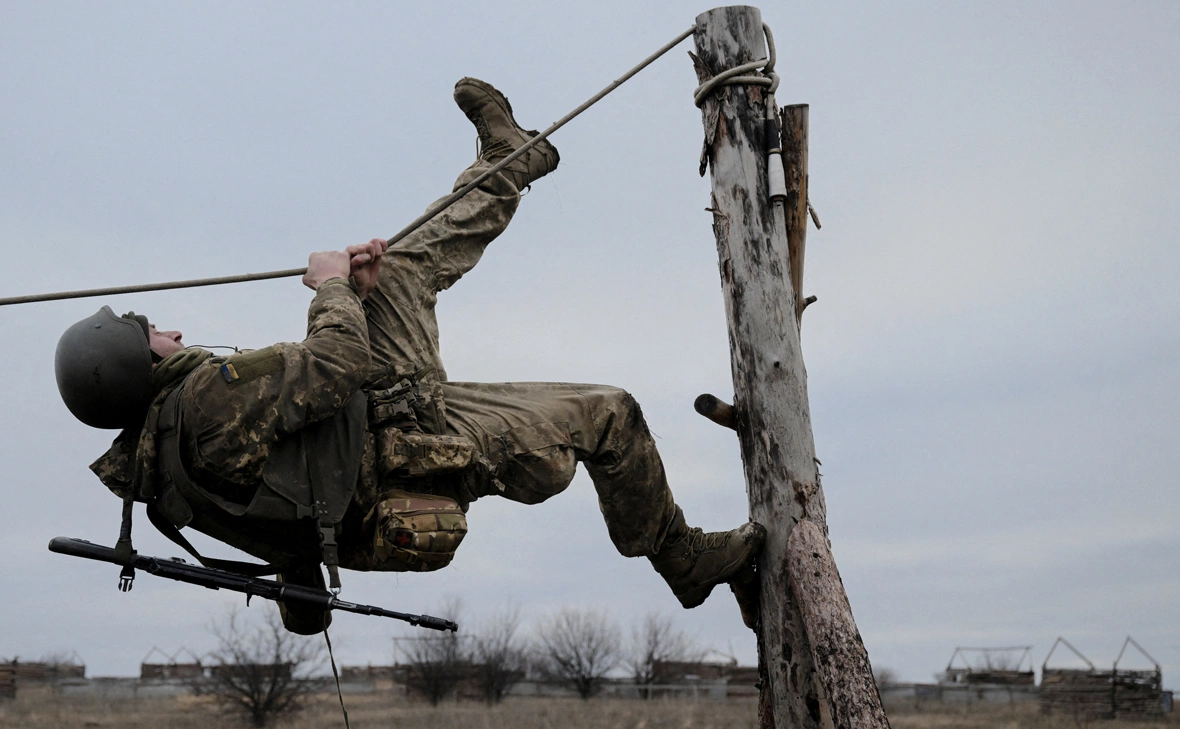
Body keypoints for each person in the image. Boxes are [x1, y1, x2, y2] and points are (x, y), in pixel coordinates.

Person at [56, 78, 764, 634]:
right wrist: (333, 286)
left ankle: (509, 159)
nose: (172, 332)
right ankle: (686, 562)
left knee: (391, 272)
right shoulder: (205, 399)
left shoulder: (168, 485)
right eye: (151, 330)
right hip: (406, 444)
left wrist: (303, 604)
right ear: (134, 365)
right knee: (612, 416)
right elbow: (336, 366)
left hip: (381, 452)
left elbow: (288, 552)